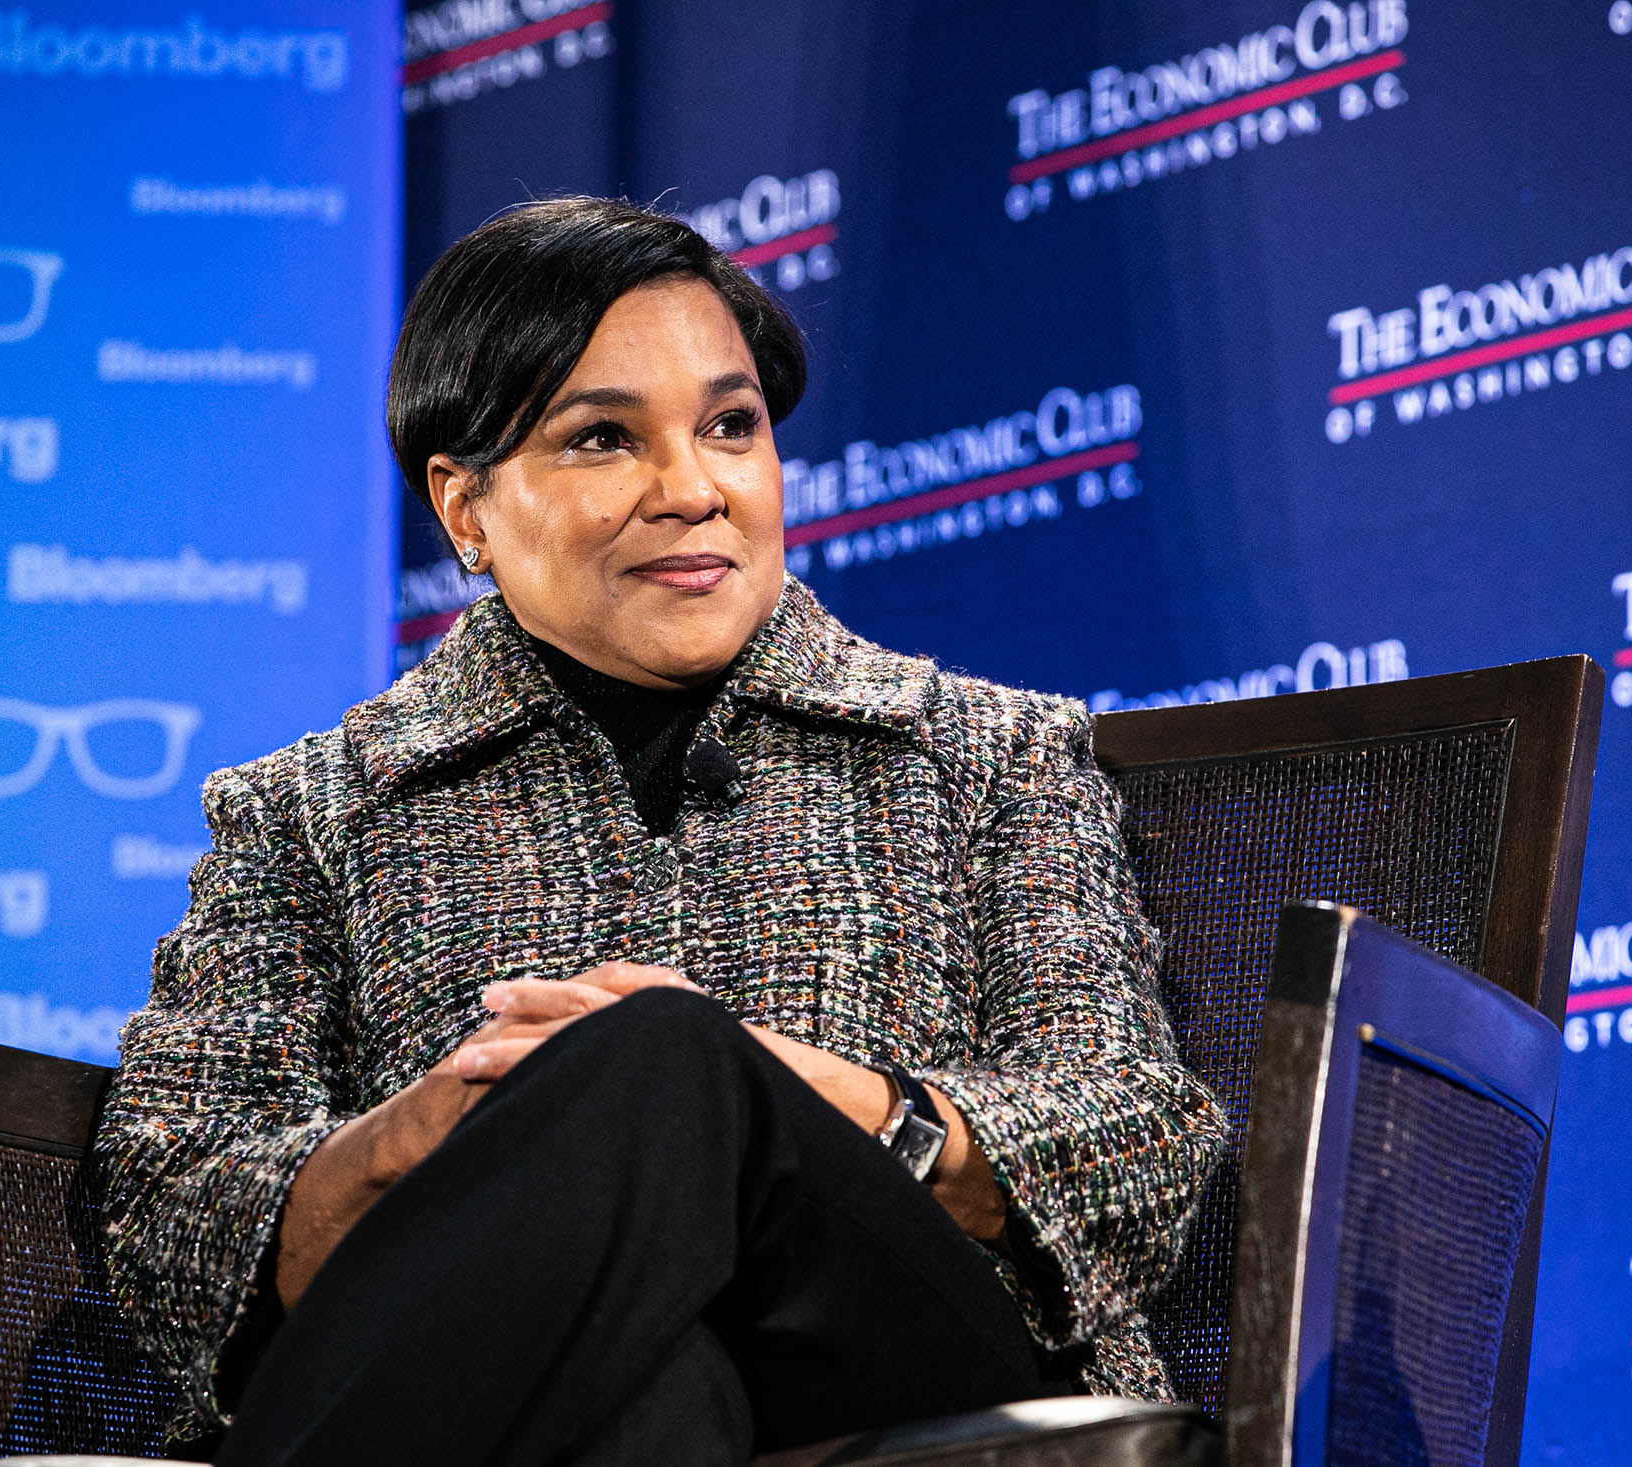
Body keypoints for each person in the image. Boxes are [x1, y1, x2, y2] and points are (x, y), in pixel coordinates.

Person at [90, 196, 1226, 1467]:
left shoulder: (982, 754)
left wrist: (790, 1101)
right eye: (602, 440)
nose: (692, 490)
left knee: (664, 1058)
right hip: (555, 1408)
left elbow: (1135, 1138)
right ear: (464, 509)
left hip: (910, 1376)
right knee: (653, 1394)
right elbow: (167, 1210)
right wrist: (416, 1139)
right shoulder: (314, 812)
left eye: (730, 427)